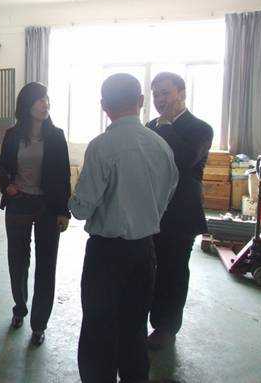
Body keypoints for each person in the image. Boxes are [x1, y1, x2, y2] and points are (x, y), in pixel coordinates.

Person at [69, 74, 178, 383]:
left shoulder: (102, 147)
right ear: (141, 101)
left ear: (104, 106)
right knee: (134, 328)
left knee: (98, 329)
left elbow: (81, 208)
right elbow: (167, 196)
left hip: (106, 254)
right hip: (144, 251)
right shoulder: (161, 146)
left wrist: (71, 198)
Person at [0, 82, 71, 346]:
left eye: (47, 99)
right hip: (19, 204)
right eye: (40, 99)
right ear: (27, 105)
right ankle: (19, 307)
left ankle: (39, 324)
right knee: (17, 260)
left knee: (46, 264)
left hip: (48, 207)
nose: (45, 104)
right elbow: (2, 166)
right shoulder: (12, 134)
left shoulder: (57, 136)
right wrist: (7, 185)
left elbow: (63, 175)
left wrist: (63, 211)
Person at [146, 72, 213, 350]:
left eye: (165, 93)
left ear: (182, 93)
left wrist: (166, 127)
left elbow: (184, 160)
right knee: (149, 267)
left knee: (173, 271)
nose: (159, 99)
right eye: (156, 94)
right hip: (151, 209)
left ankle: (166, 327)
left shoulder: (200, 129)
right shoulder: (150, 126)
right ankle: (148, 317)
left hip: (181, 212)